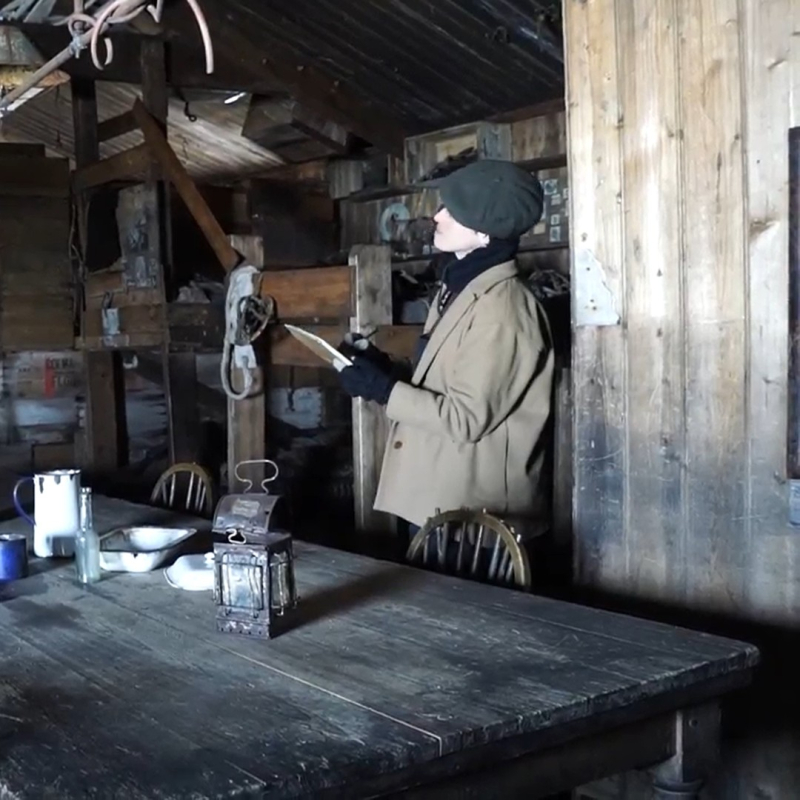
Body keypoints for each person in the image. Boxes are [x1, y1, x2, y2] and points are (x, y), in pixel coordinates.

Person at [335, 159, 554, 540]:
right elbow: (445, 381)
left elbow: (466, 418)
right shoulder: (460, 286)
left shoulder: (502, 311)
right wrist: (381, 370)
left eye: (452, 210)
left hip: (473, 524)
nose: (437, 216)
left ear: (486, 233)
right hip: (438, 501)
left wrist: (382, 390)